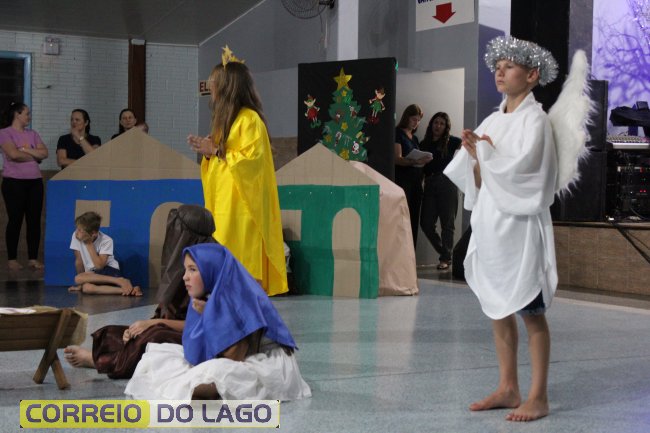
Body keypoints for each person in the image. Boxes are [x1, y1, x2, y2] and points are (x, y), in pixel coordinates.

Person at [443, 36, 559, 422]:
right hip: (493, 228)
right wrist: (476, 156)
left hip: (520, 230)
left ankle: (538, 396)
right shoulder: (492, 120)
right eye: (497, 67)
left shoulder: (536, 121)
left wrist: (487, 154)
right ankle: (509, 387)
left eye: (509, 66)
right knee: (498, 308)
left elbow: (530, 175)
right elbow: (480, 180)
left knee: (531, 311)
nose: (500, 72)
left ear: (532, 74)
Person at [124, 243, 311, 401]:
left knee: (211, 375)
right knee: (157, 357)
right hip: (230, 354)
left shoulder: (240, 297)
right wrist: (154, 323)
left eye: (193, 270)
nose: (185, 277)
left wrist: (211, 316)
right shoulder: (209, 293)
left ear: (210, 269)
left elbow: (234, 356)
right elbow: (194, 334)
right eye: (186, 269)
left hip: (263, 360)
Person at [64, 205, 216, 379]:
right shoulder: (186, 262)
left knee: (154, 335)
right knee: (115, 333)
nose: (187, 276)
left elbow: (202, 324)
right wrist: (144, 324)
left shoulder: (208, 267)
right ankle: (110, 356)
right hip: (171, 325)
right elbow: (169, 310)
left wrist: (152, 324)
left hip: (194, 334)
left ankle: (102, 361)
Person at [187, 48, 288, 296]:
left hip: (243, 207)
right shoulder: (227, 122)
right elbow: (222, 161)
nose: (211, 88)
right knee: (223, 253)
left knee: (242, 256)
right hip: (224, 205)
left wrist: (217, 151)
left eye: (214, 83)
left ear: (227, 87)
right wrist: (209, 153)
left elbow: (252, 162)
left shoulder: (249, 120)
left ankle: (248, 306)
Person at [0, 102, 48, 271]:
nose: (29, 116)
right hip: (14, 182)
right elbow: (13, 155)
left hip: (35, 182)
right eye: (27, 113)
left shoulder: (32, 134)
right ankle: (12, 259)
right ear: (17, 114)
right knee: (15, 220)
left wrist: (24, 150)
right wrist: (35, 155)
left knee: (34, 221)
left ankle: (32, 258)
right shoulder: (4, 133)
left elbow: (45, 153)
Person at [419, 112, 461, 270]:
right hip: (429, 182)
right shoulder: (424, 143)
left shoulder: (452, 141)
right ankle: (446, 253)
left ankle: (445, 258)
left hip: (447, 182)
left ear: (446, 127)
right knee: (426, 223)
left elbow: (468, 149)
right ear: (431, 124)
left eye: (442, 123)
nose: (438, 126)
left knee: (447, 223)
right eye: (436, 122)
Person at [67, 211, 142, 296]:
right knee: (86, 288)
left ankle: (119, 280)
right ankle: (130, 290)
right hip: (93, 274)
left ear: (93, 233)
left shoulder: (107, 240)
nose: (76, 232)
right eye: (77, 228)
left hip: (110, 271)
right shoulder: (76, 236)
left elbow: (99, 266)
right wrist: (81, 285)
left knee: (78, 278)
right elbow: (79, 261)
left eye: (80, 230)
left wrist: (89, 243)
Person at [394, 104, 432, 247]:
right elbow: (397, 159)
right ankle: (401, 253)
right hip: (403, 182)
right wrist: (415, 161)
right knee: (402, 217)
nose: (416, 122)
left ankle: (411, 253)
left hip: (416, 183)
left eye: (418, 120)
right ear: (407, 118)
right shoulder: (398, 133)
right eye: (414, 119)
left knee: (414, 219)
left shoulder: (415, 138)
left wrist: (423, 161)